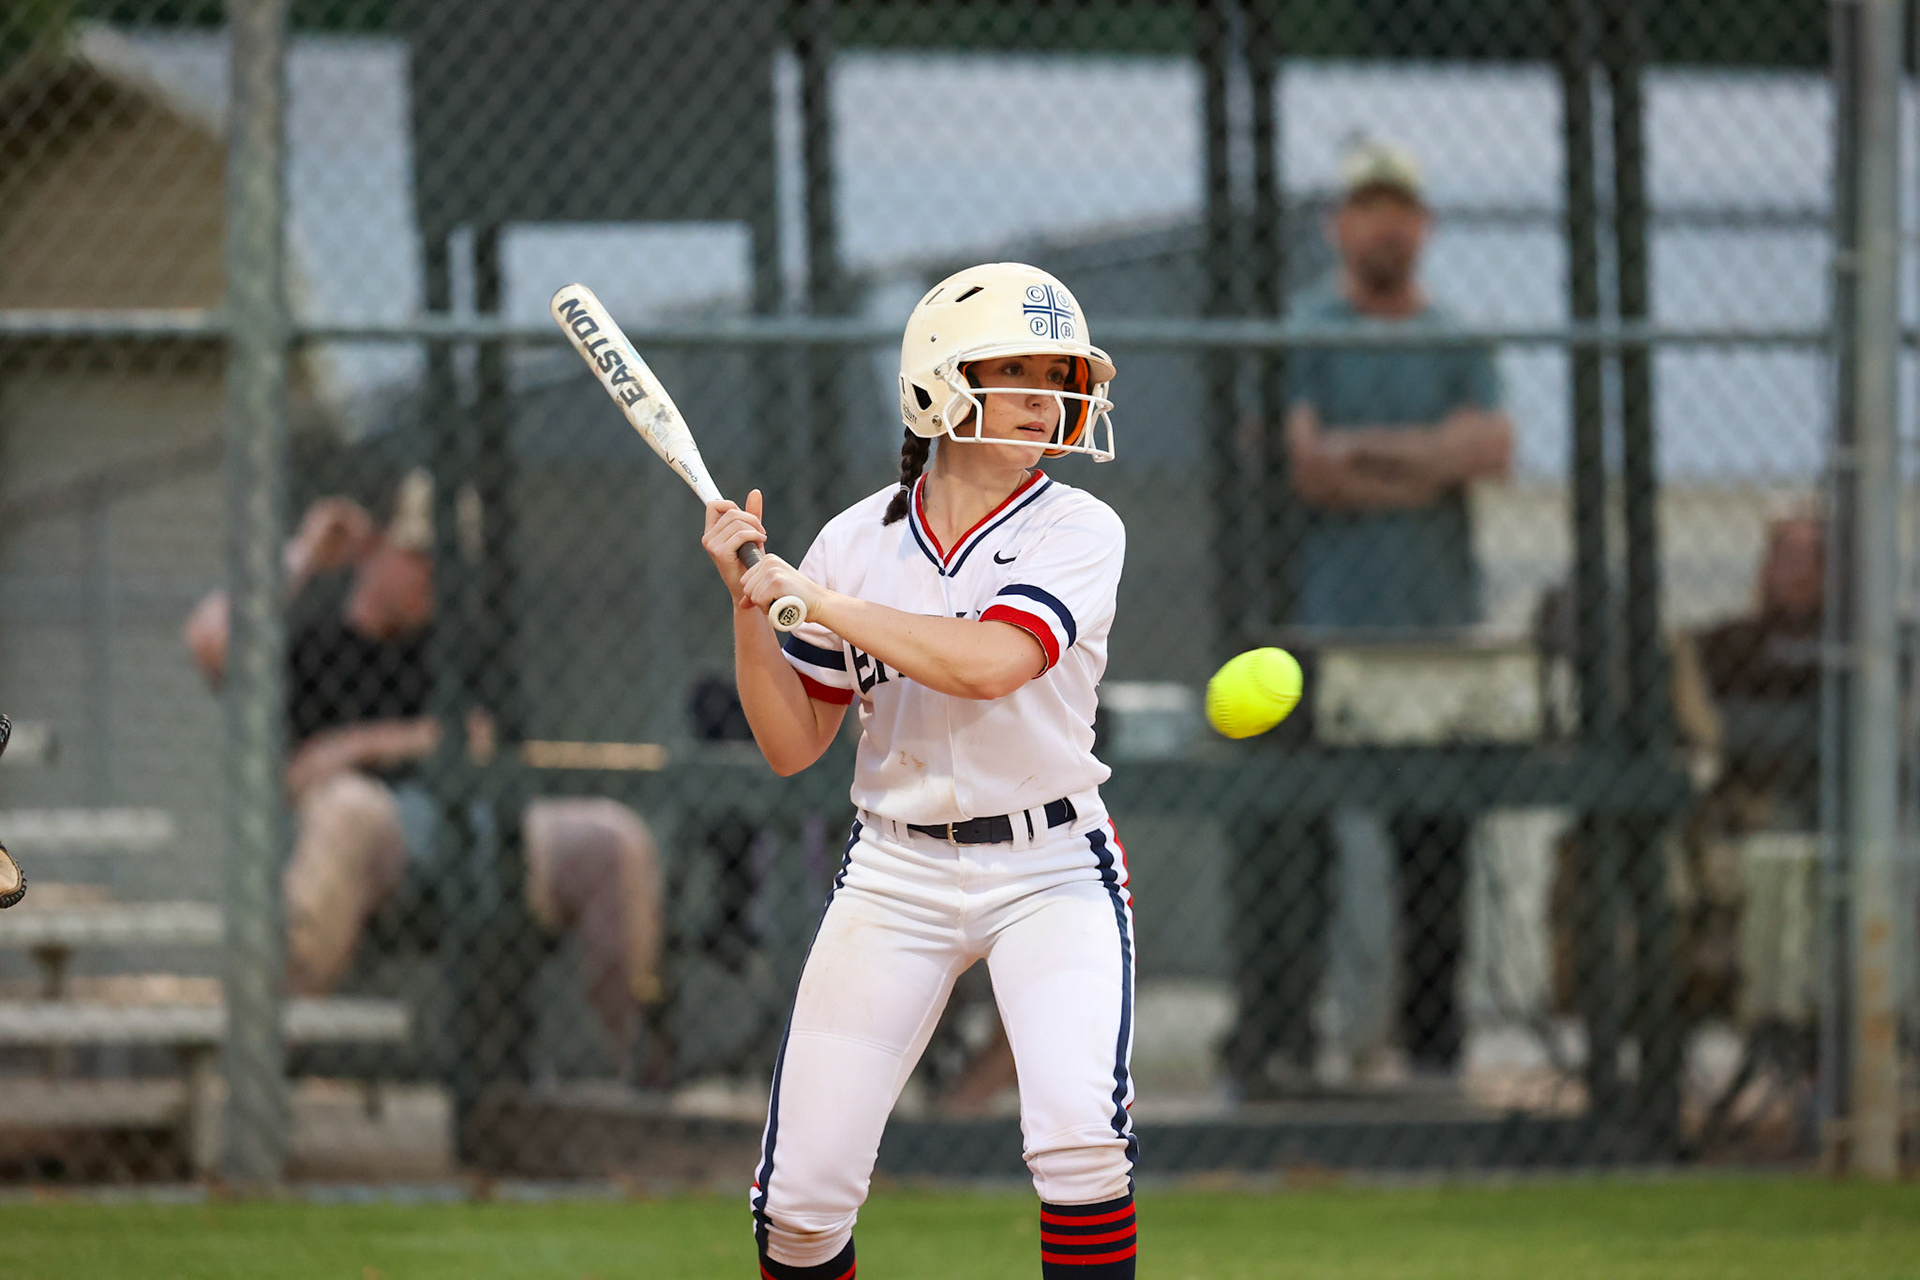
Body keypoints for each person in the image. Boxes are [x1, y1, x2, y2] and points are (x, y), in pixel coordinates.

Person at [703, 263, 1137, 1280]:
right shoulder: (855, 542)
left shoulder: (1078, 526)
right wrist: (750, 608)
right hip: (897, 868)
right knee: (801, 1209)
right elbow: (790, 743)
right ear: (939, 382)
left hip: (1052, 864)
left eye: (1059, 372)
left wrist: (818, 600)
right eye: (1016, 369)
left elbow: (991, 662)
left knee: (1080, 1141)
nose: (1048, 393)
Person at [182, 470, 664, 1074]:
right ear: (373, 550)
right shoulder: (313, 645)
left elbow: (479, 738)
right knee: (349, 809)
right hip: (377, 838)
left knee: (614, 838)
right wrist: (303, 553)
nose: (435, 577)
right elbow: (209, 640)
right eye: (418, 557)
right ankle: (260, 1069)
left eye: (446, 563)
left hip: (484, 829)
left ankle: (631, 1073)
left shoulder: (456, 642)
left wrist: (355, 746)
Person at [1225, 138, 1516, 1094]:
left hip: (1434, 639)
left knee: (1433, 849)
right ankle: (1284, 1050)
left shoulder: (1458, 338)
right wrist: (1425, 460)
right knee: (1295, 846)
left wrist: (1367, 460)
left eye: (1402, 207)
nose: (1385, 224)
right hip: (1314, 635)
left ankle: (1433, 1058)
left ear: (1423, 225)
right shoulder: (1304, 328)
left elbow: (1492, 449)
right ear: (1338, 225)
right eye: (1366, 207)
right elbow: (1307, 467)